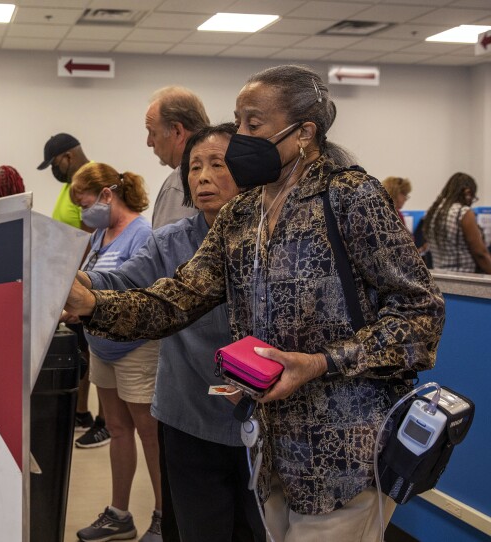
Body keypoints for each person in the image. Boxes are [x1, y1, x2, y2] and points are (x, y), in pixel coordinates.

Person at [66, 64, 445, 541]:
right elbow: (177, 299)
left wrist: (320, 362)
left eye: (253, 123)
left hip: (344, 451)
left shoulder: (350, 196)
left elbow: (421, 314)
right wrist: (92, 304)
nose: (238, 136)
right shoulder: (244, 213)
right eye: (237, 120)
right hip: (269, 450)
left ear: (304, 132)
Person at [75, 124, 264, 541]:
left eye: (217, 164)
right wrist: (79, 287)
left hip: (260, 419)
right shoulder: (169, 242)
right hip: (188, 416)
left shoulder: (276, 241)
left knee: (255, 529)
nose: (202, 176)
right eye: (194, 167)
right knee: (199, 527)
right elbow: (123, 282)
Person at [67, 163, 161, 542]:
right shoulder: (99, 235)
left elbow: (141, 292)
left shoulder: (142, 234)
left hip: (136, 348)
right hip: (102, 346)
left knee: (149, 434)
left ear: (107, 194)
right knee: (118, 430)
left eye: (83, 201)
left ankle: (162, 517)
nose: (81, 210)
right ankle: (119, 514)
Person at [38, 133, 110, 447]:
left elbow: (88, 237)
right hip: (69, 280)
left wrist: (71, 277)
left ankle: (104, 421)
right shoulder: (72, 186)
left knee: (95, 353)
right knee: (81, 351)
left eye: (55, 163)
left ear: (68, 156)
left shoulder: (91, 181)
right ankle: (81, 413)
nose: (55, 170)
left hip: (83, 281)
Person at [145, 86, 209, 229]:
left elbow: (171, 249)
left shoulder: (181, 182)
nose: (149, 142)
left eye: (152, 132)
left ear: (177, 131)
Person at [422, 172, 491, 274]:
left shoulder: (433, 212)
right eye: (473, 197)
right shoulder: (463, 212)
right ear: (467, 193)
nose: (472, 202)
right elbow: (480, 253)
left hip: (439, 278)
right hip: (463, 279)